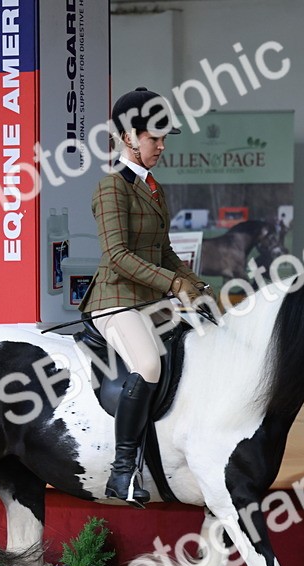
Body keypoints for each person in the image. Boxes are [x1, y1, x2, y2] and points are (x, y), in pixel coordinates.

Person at [80, 87, 213, 506]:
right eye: (153, 138)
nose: (161, 145)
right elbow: (117, 256)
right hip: (115, 300)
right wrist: (173, 285)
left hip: (149, 302)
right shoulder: (111, 188)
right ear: (127, 136)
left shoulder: (154, 187)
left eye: (163, 138)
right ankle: (123, 472)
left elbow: (165, 250)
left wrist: (197, 284)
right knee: (149, 363)